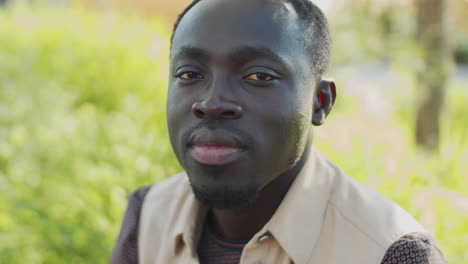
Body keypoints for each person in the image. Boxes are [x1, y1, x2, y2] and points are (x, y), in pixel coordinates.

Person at [112, 0, 447, 263]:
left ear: (319, 102)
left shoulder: (392, 254)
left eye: (259, 76)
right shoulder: (148, 214)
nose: (211, 103)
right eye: (188, 74)